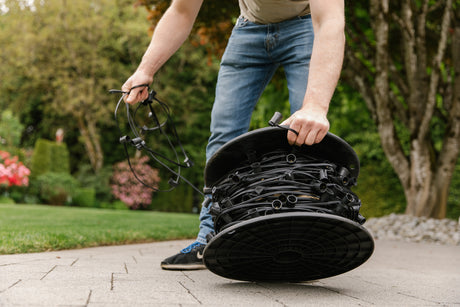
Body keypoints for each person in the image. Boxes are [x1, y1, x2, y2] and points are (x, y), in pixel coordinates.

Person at [122, 0, 345, 270]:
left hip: (307, 26)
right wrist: (145, 70)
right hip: (248, 29)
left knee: (306, 134)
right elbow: (181, 11)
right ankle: (210, 238)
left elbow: (330, 21)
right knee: (223, 137)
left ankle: (310, 240)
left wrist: (315, 107)